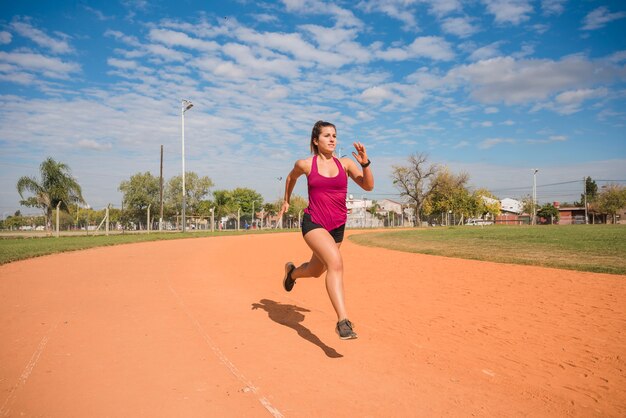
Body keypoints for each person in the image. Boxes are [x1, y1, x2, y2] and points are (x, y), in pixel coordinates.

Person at [278, 120, 374, 340]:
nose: (332, 139)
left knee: (315, 270)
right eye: (327, 136)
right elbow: (291, 177)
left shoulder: (346, 164)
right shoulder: (306, 164)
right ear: (316, 140)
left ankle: (292, 273)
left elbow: (368, 186)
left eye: (334, 135)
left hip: (338, 226)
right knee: (336, 263)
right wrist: (286, 200)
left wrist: (365, 163)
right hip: (314, 222)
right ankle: (343, 321)